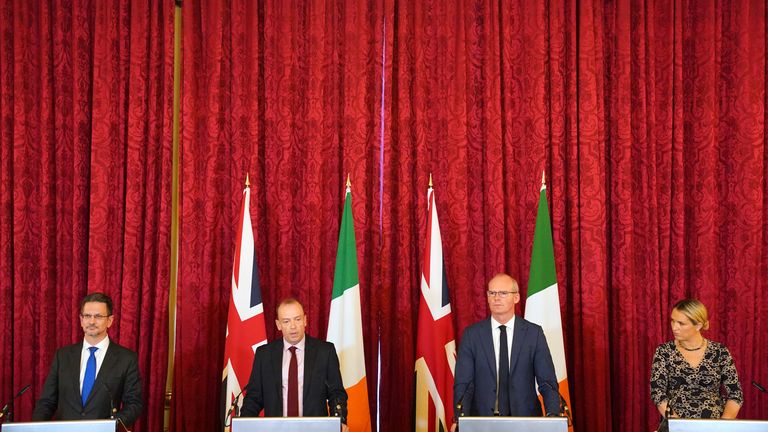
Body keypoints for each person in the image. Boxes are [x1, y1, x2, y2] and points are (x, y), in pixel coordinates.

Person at [452, 273, 560, 430]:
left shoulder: (533, 334)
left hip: (525, 423)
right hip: (482, 423)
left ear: (516, 298)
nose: (496, 298)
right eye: (492, 293)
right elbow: (464, 384)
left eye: (503, 293)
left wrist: (553, 416)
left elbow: (547, 382)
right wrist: (459, 419)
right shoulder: (472, 335)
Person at [32, 292, 143, 426]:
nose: (91, 321)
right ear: (81, 320)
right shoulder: (63, 356)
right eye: (87, 316)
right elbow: (47, 402)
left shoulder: (126, 359)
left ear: (110, 321)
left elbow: (134, 404)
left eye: (98, 316)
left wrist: (109, 427)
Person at [241, 298, 348, 430]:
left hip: (315, 429)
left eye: (297, 319)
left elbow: (336, 393)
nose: (293, 326)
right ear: (278, 325)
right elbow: (254, 398)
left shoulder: (325, 352)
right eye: (286, 321)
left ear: (305, 320)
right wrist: (243, 425)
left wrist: (339, 421)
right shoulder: (264, 355)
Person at [650, 298, 743, 419]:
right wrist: (679, 426)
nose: (674, 327)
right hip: (675, 426)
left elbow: (735, 394)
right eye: (672, 321)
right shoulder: (664, 351)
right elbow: (658, 394)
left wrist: (722, 426)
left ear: (698, 325)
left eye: (681, 323)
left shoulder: (720, 351)